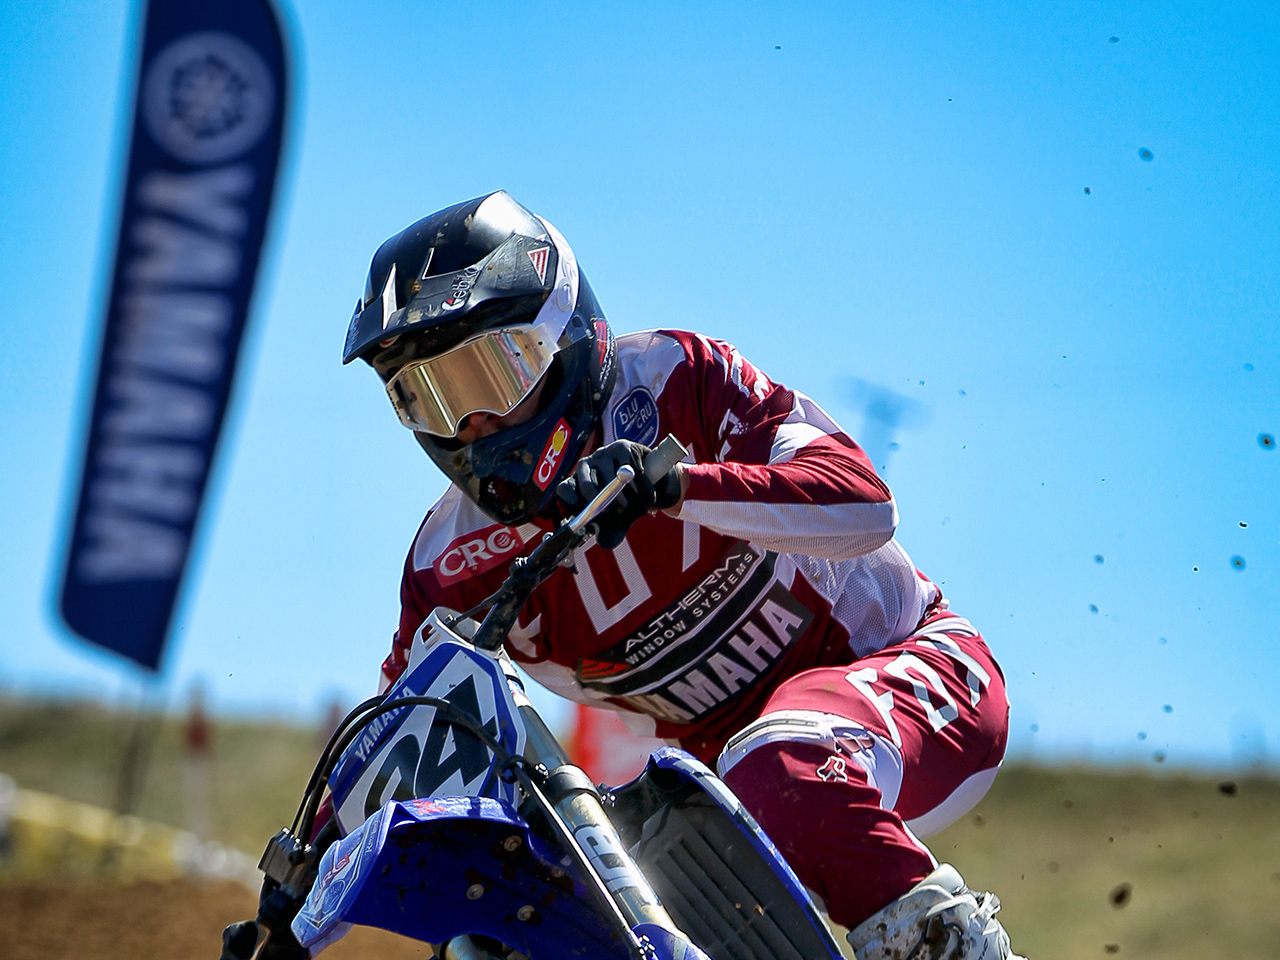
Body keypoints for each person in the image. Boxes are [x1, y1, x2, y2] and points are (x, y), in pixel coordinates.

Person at [343, 191, 1022, 960]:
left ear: (564, 335)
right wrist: (296, 886)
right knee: (510, 928)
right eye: (430, 399)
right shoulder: (447, 565)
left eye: (492, 377)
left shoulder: (677, 377)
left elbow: (866, 505)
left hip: (918, 676)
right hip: (721, 805)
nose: (473, 426)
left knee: (779, 760)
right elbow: (387, 760)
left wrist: (678, 487)